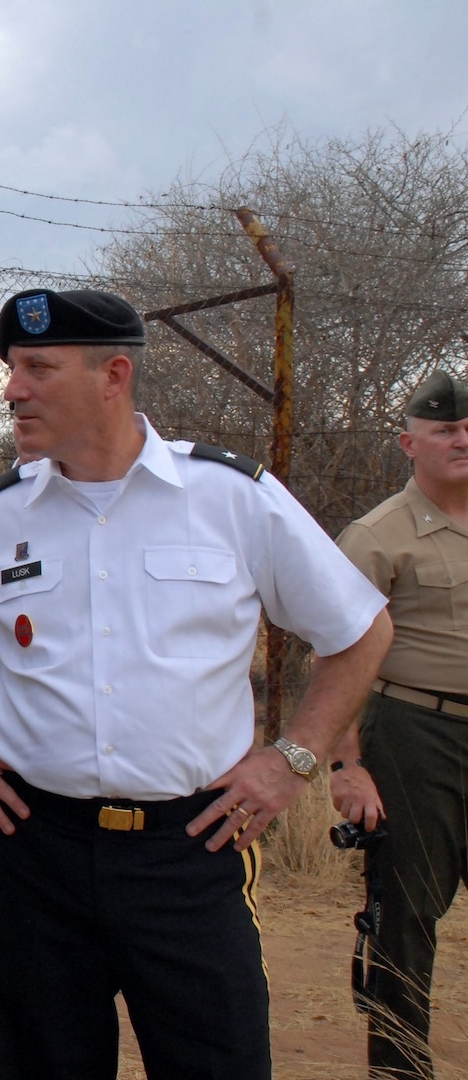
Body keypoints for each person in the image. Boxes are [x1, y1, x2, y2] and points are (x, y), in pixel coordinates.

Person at [0, 287, 393, 1080]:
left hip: (190, 851)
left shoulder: (229, 498)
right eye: (13, 370)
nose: (12, 389)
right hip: (35, 851)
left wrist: (292, 759)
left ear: (112, 375)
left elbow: (359, 630)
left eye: (37, 369)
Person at [331, 369, 468, 1080]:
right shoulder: (377, 535)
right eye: (444, 429)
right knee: (403, 920)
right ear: (407, 442)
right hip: (415, 734)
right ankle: (400, 1071)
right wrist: (346, 767)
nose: (461, 439)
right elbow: (335, 656)